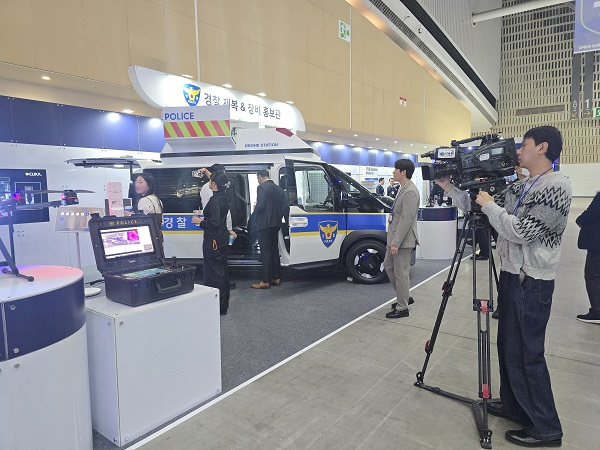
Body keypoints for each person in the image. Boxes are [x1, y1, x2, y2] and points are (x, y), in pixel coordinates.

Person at [436, 126, 571, 447]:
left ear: (543, 148)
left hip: (532, 281)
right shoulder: (522, 185)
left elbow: (523, 231)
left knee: (528, 354)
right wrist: (449, 187)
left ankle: (546, 427)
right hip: (512, 276)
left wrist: (491, 206)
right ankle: (514, 405)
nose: (518, 152)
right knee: (508, 347)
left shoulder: (556, 186)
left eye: (524, 146)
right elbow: (477, 207)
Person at [384, 159, 420, 319]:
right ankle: (404, 296)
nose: (393, 172)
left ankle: (402, 307)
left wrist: (396, 243)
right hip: (394, 239)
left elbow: (406, 220)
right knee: (388, 266)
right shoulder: (402, 188)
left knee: (401, 273)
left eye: (395, 169)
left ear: (403, 172)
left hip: (402, 241)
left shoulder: (411, 191)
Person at [192, 172, 231, 315]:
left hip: (213, 239)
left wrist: (200, 221)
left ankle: (216, 305)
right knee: (221, 270)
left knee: (213, 272)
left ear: (213, 183)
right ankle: (222, 304)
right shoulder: (224, 197)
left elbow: (214, 223)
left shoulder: (215, 201)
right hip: (221, 237)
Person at [251, 169, 287, 289]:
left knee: (265, 252)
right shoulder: (279, 189)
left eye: (257, 178)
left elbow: (261, 205)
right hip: (275, 224)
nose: (258, 181)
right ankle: (276, 278)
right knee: (274, 251)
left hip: (264, 224)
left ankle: (265, 281)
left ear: (260, 177)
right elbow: (284, 206)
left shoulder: (261, 188)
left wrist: (255, 210)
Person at [575, 191, 600, 324]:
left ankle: (597, 312)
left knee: (593, 275)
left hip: (597, 245)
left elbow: (590, 214)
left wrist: (579, 220)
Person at [132, 173, 164, 243]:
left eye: (140, 182)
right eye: (136, 182)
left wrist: (129, 216)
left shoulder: (144, 200)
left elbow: (141, 222)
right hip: (158, 237)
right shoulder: (158, 200)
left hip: (148, 238)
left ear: (149, 184)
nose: (137, 185)